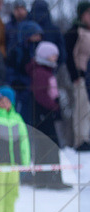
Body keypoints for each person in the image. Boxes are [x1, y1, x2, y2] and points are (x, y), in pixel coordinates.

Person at [28, 41, 71, 189]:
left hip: (46, 113)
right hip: (43, 114)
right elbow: (40, 94)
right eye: (53, 55)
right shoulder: (40, 72)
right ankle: (53, 180)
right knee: (51, 146)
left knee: (45, 146)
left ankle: (43, 179)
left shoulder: (46, 70)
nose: (55, 58)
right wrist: (54, 107)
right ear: (45, 55)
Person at [6, 19, 43, 123]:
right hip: (21, 91)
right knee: (20, 119)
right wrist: (15, 82)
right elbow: (10, 70)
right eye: (36, 35)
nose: (38, 38)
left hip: (35, 92)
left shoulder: (39, 49)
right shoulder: (17, 51)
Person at [65, 1, 90, 151]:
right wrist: (75, 76)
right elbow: (69, 56)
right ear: (82, 15)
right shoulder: (74, 31)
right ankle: (81, 140)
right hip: (80, 75)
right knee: (82, 108)